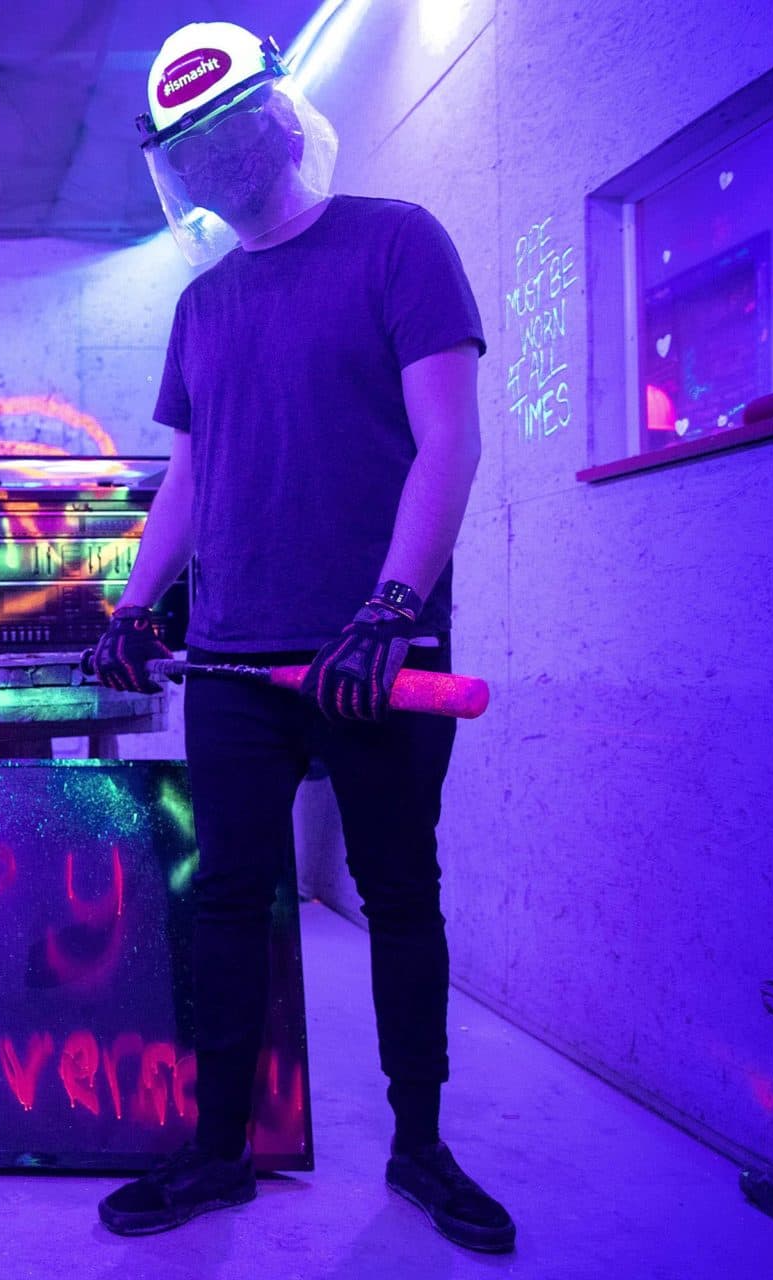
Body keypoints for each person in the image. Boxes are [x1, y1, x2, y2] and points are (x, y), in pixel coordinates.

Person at [91, 23, 514, 1253]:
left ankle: (422, 1144)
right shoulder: (202, 301)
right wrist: (132, 602)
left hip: (377, 647)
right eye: (192, 152)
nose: (214, 166)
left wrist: (393, 603)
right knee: (226, 895)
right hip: (232, 653)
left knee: (399, 893)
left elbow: (450, 437)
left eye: (226, 137)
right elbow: (188, 476)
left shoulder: (397, 240)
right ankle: (219, 1151)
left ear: (277, 124)